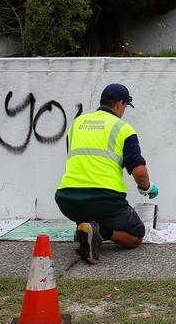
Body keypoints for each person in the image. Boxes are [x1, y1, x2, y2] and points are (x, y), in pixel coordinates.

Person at [55, 83, 158, 264]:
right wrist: (147, 188)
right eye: (125, 106)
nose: (124, 110)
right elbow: (139, 171)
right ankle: (100, 232)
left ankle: (85, 228)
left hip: (67, 199)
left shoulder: (76, 124)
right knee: (136, 235)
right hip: (105, 199)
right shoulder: (123, 129)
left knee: (89, 210)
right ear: (119, 104)